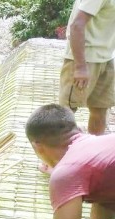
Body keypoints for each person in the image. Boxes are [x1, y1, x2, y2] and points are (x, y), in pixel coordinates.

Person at [59, 0, 115, 136]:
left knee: (100, 110)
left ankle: (94, 153)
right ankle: (61, 156)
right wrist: (80, 67)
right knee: (66, 114)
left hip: (106, 58)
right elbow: (76, 26)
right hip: (84, 59)